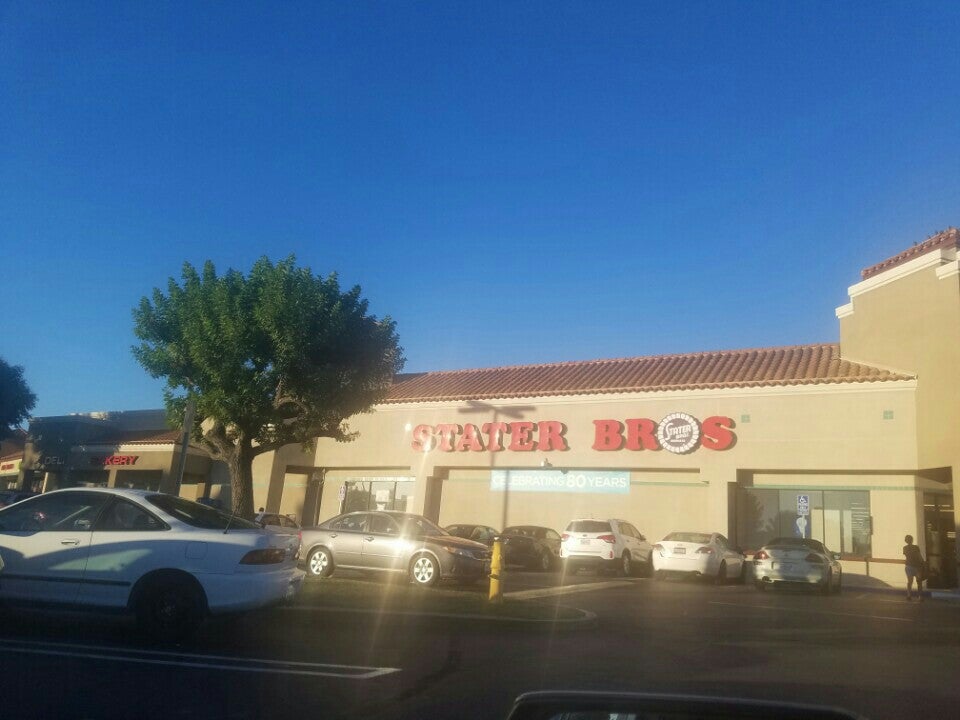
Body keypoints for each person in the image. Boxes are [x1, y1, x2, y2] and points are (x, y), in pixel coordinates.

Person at [903, 534, 925, 601]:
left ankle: (909, 595)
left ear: (906, 540)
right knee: (919, 582)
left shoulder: (905, 548)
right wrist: (923, 563)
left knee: (910, 582)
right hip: (917, 566)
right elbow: (919, 556)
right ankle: (920, 596)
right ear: (912, 540)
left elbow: (907, 556)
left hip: (908, 566)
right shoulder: (916, 547)